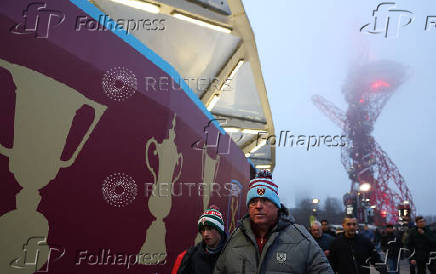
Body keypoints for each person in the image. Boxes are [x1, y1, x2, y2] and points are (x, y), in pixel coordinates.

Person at [214, 170, 333, 274]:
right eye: (253, 201)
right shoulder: (234, 238)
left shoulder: (301, 239)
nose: (258, 206)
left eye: (265, 200)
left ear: (277, 206)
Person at [172, 207, 227, 274]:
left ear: (219, 230)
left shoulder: (233, 255)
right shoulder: (190, 256)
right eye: (202, 230)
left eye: (209, 228)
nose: (205, 234)